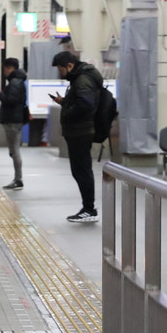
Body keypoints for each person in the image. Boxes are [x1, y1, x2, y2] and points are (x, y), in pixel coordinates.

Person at [50, 50, 104, 222]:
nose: (61, 73)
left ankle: (89, 209)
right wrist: (65, 102)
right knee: (80, 170)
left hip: (81, 132)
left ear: (70, 66)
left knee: (82, 171)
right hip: (79, 131)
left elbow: (85, 105)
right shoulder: (81, 79)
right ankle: (88, 207)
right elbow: (82, 101)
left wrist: (68, 113)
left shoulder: (82, 80)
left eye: (61, 69)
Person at [0, 57, 28, 190]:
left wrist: (0, 94)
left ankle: (18, 179)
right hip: (15, 119)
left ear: (10, 68)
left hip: (12, 121)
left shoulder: (14, 82)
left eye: (5, 69)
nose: (4, 71)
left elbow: (10, 101)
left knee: (14, 150)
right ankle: (17, 178)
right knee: (14, 150)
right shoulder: (18, 81)